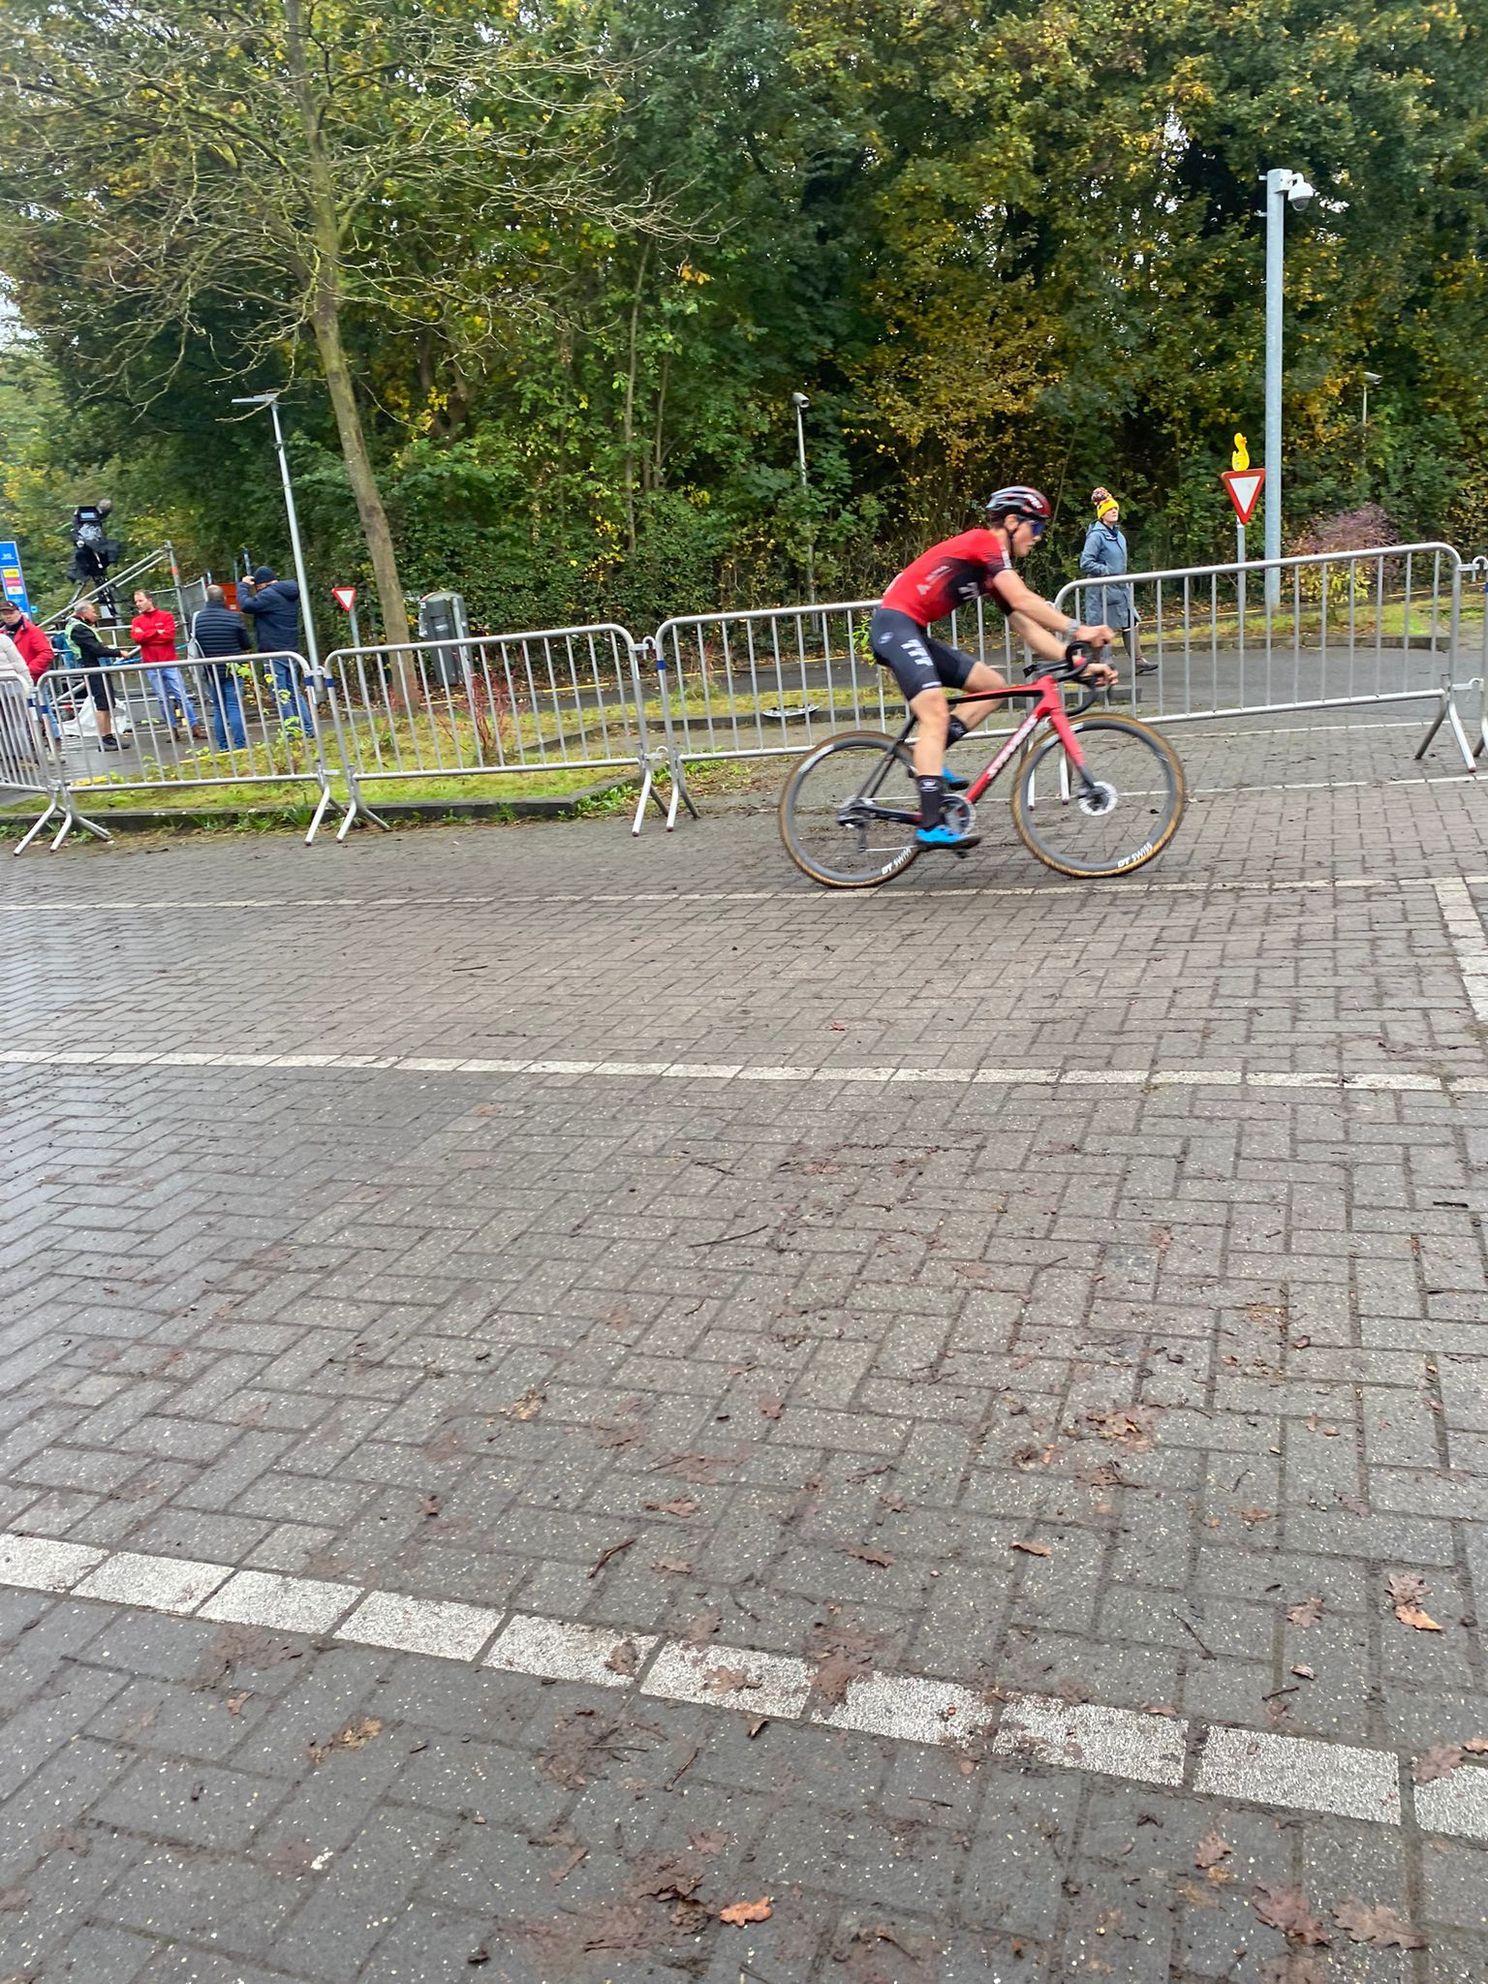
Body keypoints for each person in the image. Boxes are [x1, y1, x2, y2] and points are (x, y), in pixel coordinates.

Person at [870, 485, 1117, 848]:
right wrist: (1080, 630)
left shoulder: (992, 570)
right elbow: (1023, 598)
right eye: (1036, 528)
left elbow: (1029, 629)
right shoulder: (984, 543)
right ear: (1013, 522)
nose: (1038, 538)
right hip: (894, 625)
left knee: (991, 686)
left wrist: (1078, 665)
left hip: (913, 631)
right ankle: (930, 825)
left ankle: (927, 759)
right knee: (935, 713)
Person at [1080, 489, 1154, 676]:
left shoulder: (1118, 535)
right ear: (1102, 514)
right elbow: (1085, 562)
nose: (1114, 511)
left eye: (1116, 508)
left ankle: (1138, 661)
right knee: (1102, 627)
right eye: (1110, 509)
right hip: (1101, 590)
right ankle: (1103, 663)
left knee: (1131, 621)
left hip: (1119, 588)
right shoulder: (1096, 535)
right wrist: (1106, 571)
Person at [238, 565, 314, 732]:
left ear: (261, 585)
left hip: (273, 651)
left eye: (257, 588)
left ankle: (292, 731)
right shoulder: (288, 593)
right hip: (290, 649)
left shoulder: (269, 595)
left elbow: (246, 605)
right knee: (293, 692)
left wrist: (243, 586)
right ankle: (307, 728)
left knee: (279, 693)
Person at [129, 589, 205, 738]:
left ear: (149, 600)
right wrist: (156, 631)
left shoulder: (166, 616)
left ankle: (194, 725)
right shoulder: (136, 621)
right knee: (162, 698)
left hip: (169, 661)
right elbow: (137, 639)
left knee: (181, 695)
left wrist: (147, 635)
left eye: (140, 600)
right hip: (151, 663)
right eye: (136, 601)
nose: (138, 604)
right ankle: (172, 729)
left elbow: (169, 636)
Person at [189, 585, 252, 749]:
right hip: (232, 669)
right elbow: (246, 644)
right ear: (223, 599)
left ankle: (223, 745)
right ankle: (240, 744)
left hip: (210, 670)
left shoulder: (198, 620)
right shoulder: (234, 618)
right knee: (233, 706)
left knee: (218, 708)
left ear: (207, 599)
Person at [0, 598, 56, 683]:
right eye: (5, 614)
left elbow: (46, 653)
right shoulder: (2, 633)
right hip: (8, 680)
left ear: (18, 612)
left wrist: (27, 671)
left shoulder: (32, 631)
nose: (8, 616)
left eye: (11, 613)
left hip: (32, 679)